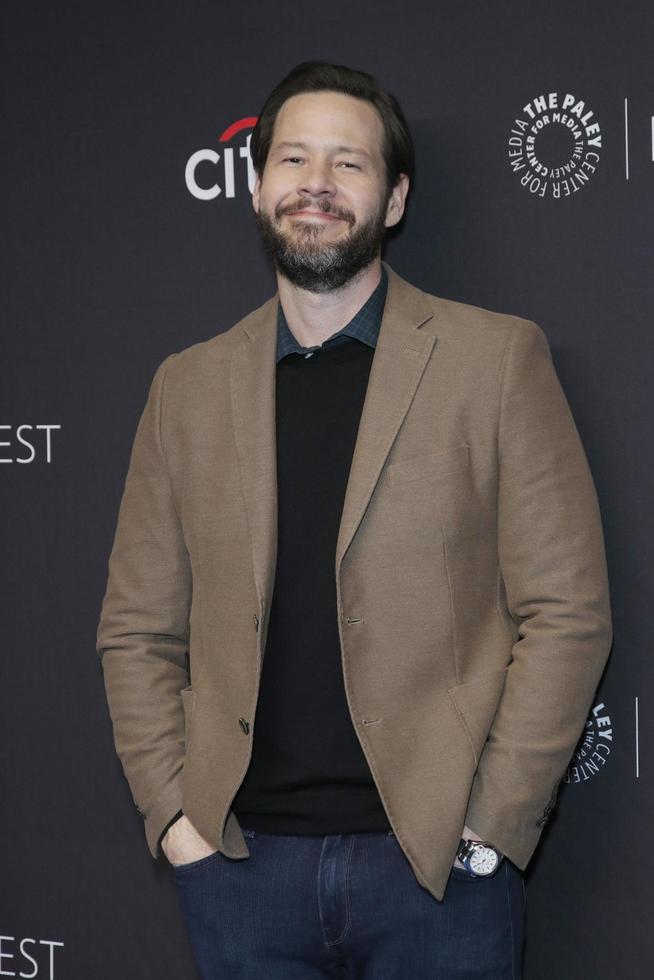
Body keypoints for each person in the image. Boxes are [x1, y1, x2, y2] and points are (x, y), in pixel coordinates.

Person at [96, 60, 612, 979]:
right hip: (239, 870)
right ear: (258, 189)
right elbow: (137, 628)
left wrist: (492, 825)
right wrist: (176, 820)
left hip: (437, 876)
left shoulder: (496, 361)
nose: (317, 187)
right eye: (293, 160)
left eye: (349, 164)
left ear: (396, 196)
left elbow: (567, 610)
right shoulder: (187, 386)